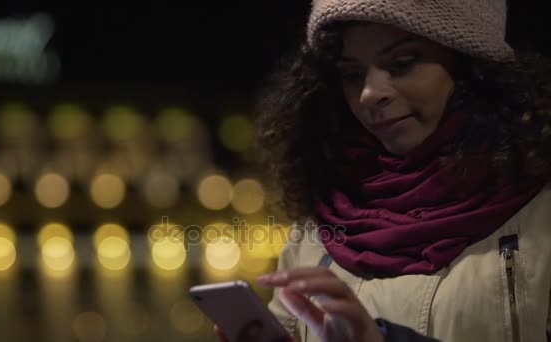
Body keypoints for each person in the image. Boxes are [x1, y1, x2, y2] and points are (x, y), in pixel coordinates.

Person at [217, 0, 551, 341]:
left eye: (402, 63)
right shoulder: (317, 228)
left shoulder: (542, 215)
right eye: (352, 73)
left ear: (471, 65)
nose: (369, 94)